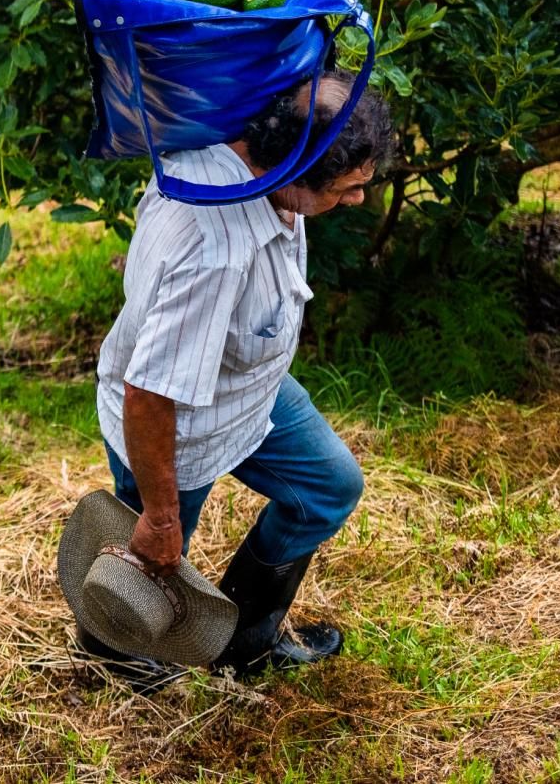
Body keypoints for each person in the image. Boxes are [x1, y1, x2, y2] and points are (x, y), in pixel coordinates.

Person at [89, 72, 397, 678]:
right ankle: (115, 655)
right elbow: (149, 394)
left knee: (328, 488)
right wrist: (158, 516)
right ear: (294, 172)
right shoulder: (214, 253)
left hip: (249, 389)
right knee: (146, 563)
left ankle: (244, 639)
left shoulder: (252, 151)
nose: (359, 199)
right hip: (176, 427)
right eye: (346, 188)